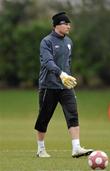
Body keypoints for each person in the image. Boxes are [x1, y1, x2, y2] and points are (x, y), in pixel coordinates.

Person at [34, 12, 93, 158]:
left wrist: (67, 76)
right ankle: (41, 149)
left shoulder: (69, 42)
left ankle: (76, 148)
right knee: (44, 117)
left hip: (66, 86)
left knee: (73, 114)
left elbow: (67, 62)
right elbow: (47, 62)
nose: (68, 26)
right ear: (56, 26)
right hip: (48, 85)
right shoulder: (46, 42)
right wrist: (61, 74)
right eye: (65, 24)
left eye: (69, 24)